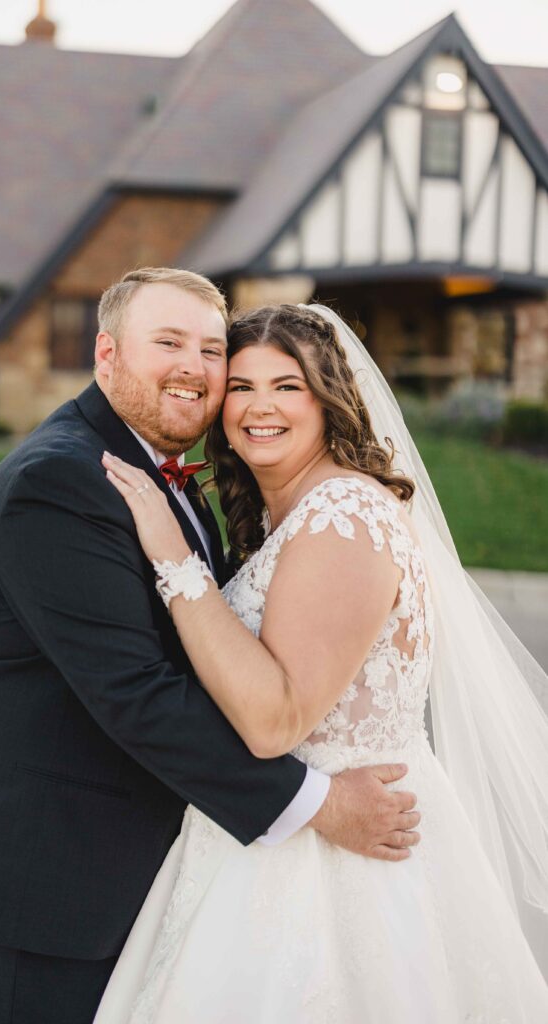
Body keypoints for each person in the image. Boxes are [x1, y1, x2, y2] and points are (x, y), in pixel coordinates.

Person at [0, 271, 418, 1024]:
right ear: (105, 354)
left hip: (133, 865)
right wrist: (319, 805)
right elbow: (136, 692)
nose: (193, 368)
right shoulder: (63, 481)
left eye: (211, 349)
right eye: (167, 342)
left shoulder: (160, 476)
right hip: (43, 874)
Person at [97, 302, 548, 1022]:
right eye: (241, 387)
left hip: (341, 868)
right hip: (272, 834)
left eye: (287, 386)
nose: (258, 407)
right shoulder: (293, 512)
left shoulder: (344, 516)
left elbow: (275, 720)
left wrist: (174, 561)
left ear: (329, 398)